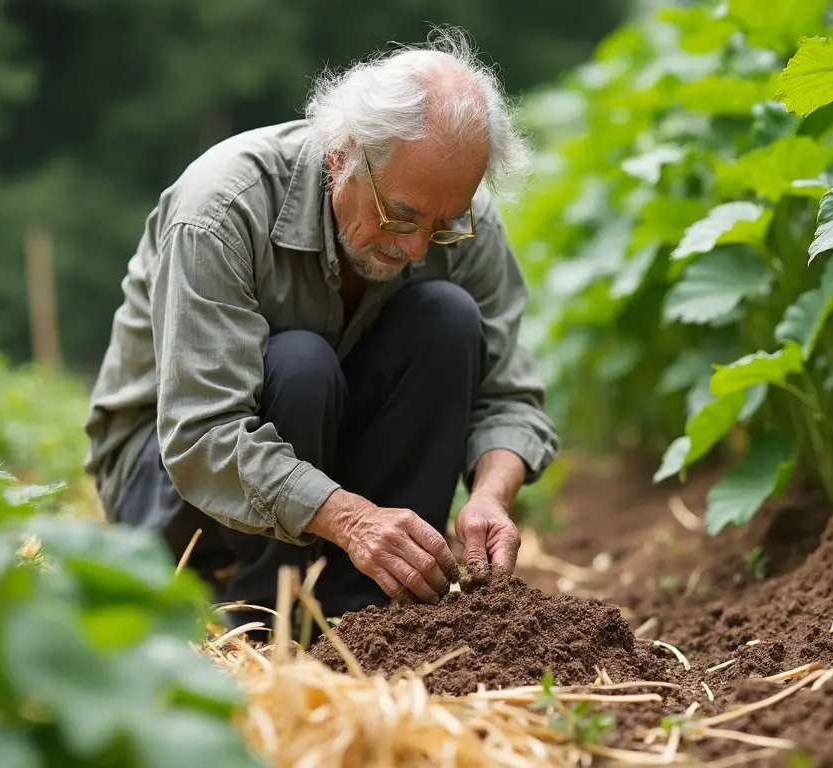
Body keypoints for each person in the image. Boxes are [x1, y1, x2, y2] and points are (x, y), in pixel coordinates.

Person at [82, 28, 559, 629]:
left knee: (448, 317)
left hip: (326, 467)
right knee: (300, 364)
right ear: (342, 157)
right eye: (400, 215)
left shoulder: (460, 220)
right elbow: (201, 434)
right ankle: (264, 621)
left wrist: (490, 495)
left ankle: (376, 619)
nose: (415, 247)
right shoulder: (222, 211)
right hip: (171, 490)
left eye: (441, 223)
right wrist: (352, 518)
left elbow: (508, 398)